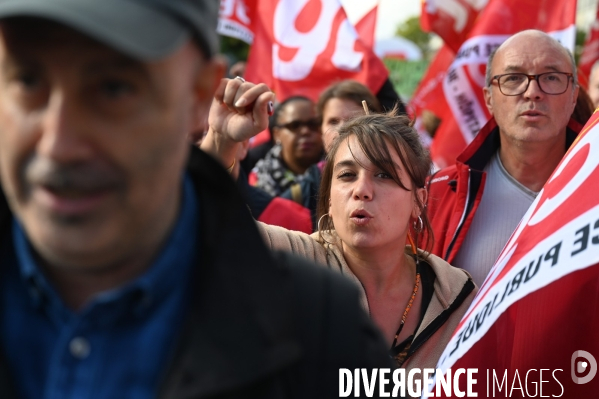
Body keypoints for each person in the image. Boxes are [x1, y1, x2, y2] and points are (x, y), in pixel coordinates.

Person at [0, 1, 395, 398]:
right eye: (27, 80)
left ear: (199, 94)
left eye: (112, 88)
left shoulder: (322, 330)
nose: (59, 144)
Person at [202, 82, 477, 376]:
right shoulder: (295, 261)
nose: (361, 190)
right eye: (347, 175)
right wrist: (220, 139)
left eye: (383, 174)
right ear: (329, 200)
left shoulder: (456, 296)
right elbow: (207, 225)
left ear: (418, 201)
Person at [426, 30, 582, 286]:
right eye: (513, 78)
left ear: (574, 95)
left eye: (551, 77)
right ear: (489, 98)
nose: (532, 92)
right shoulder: (436, 195)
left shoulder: (593, 186)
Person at [249, 96, 323, 196]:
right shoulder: (256, 182)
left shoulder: (340, 174)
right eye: (294, 125)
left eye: (313, 124)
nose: (305, 131)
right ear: (277, 134)